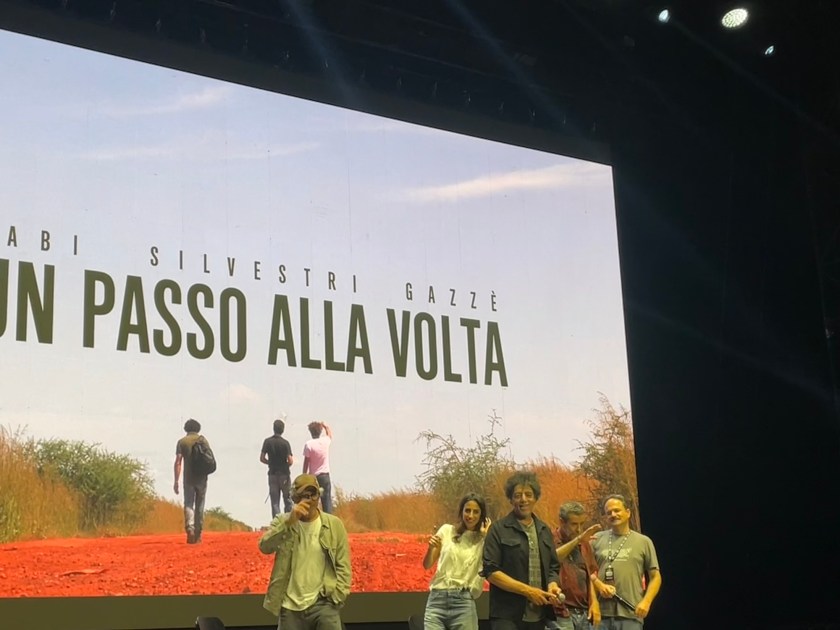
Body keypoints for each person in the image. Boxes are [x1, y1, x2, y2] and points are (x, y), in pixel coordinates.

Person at [258, 473, 352, 630]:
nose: (309, 500)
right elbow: (264, 546)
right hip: (290, 607)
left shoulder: (334, 525)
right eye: (303, 495)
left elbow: (344, 565)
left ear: (319, 496)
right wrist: (289, 523)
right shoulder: (283, 521)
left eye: (313, 494)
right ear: (295, 498)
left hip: (323, 604)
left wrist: (336, 597)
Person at [482, 471, 563, 630]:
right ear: (511, 499)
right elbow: (491, 572)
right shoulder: (498, 529)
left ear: (535, 498)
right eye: (518, 495)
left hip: (539, 616)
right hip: (507, 617)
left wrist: (553, 584)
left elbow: (553, 567)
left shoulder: (544, 530)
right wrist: (528, 591)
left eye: (528, 494)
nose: (523, 499)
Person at [590, 494, 662, 629]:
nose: (613, 514)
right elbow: (588, 574)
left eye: (617, 510)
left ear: (628, 513)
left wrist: (646, 602)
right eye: (608, 512)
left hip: (631, 614)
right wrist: (594, 599)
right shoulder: (596, 539)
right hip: (601, 616)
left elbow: (655, 577)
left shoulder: (643, 542)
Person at [422, 493, 492, 630]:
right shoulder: (447, 530)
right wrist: (430, 549)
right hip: (437, 600)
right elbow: (427, 565)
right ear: (461, 511)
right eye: (467, 510)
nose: (470, 516)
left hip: (463, 602)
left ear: (482, 515)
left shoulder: (483, 540)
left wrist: (485, 537)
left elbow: (487, 566)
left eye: (476, 512)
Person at [550, 501, 602, 630]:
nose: (579, 529)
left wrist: (594, 602)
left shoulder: (584, 544)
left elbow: (589, 575)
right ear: (562, 522)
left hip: (584, 611)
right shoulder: (550, 539)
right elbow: (552, 559)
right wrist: (578, 540)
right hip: (560, 611)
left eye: (582, 524)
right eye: (574, 524)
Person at [173, 418, 209, 544]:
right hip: (202, 478)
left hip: (188, 478)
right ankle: (198, 534)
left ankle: (190, 528)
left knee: (189, 503)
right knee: (200, 505)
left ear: (186, 429)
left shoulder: (182, 442)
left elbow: (178, 462)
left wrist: (176, 481)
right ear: (198, 428)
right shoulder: (203, 440)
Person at [261, 418, 295, 517]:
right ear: (283, 430)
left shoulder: (267, 441)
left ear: (273, 428)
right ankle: (288, 523)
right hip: (284, 474)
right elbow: (290, 460)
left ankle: (277, 523)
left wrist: (270, 463)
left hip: (272, 474)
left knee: (275, 502)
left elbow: (262, 458)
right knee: (288, 500)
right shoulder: (285, 443)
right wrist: (285, 465)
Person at [302, 421, 333, 513]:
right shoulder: (325, 441)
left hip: (313, 477)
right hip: (324, 475)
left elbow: (306, 462)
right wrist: (325, 426)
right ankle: (328, 522)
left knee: (313, 502)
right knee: (326, 501)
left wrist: (304, 475)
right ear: (320, 431)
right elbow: (330, 434)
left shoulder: (309, 444)